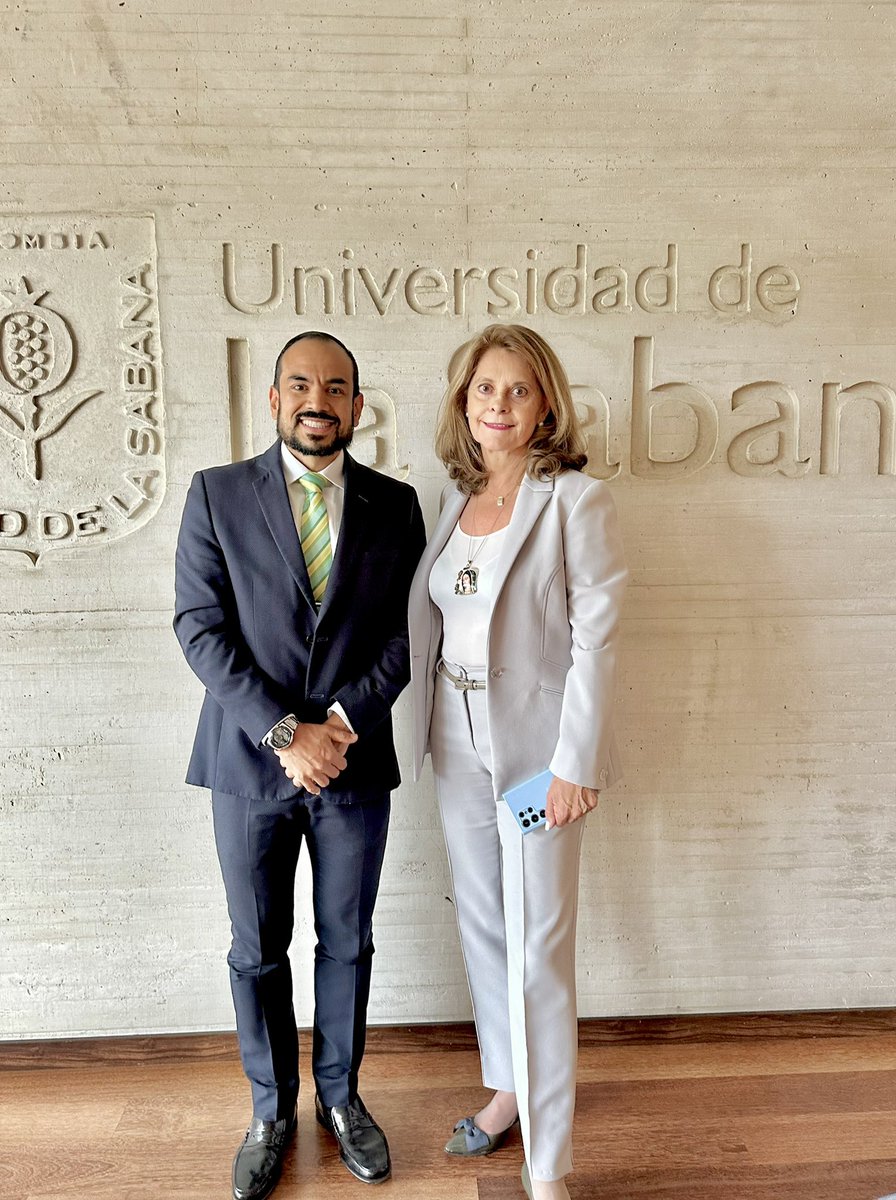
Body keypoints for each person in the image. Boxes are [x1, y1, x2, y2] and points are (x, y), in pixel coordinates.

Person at [174, 331, 425, 1200]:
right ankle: (269, 1111)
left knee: (347, 943)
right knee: (256, 949)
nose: (319, 398)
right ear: (275, 400)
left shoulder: (397, 506)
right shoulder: (214, 495)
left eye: (338, 385)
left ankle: (342, 1100)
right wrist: (287, 733)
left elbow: (407, 635)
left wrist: (340, 726)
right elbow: (199, 627)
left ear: (359, 406)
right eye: (301, 383)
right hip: (249, 768)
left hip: (353, 766)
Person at [408, 324, 628, 1200]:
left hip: (539, 755)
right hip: (454, 738)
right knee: (485, 928)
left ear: (546, 406)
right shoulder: (451, 502)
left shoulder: (576, 500)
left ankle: (549, 1167)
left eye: (519, 390)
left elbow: (597, 643)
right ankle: (507, 1094)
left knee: (539, 947)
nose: (498, 405)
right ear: (464, 402)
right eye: (484, 389)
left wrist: (579, 764)